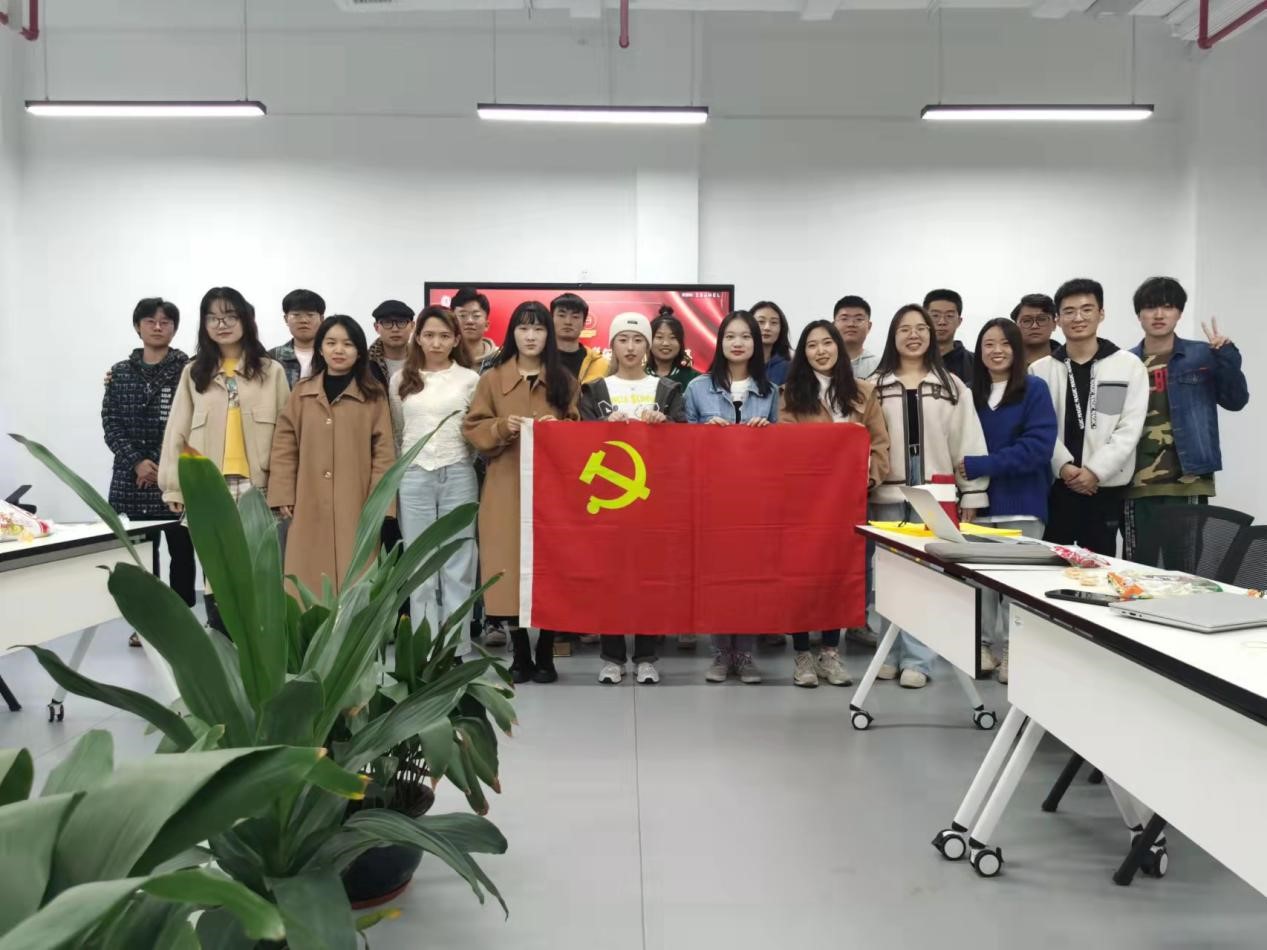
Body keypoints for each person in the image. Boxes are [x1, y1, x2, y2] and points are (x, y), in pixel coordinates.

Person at [158, 287, 290, 633]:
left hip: (258, 486)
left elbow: (287, 436)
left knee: (259, 566)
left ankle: (261, 642)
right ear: (204, 324)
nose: (222, 324)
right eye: (213, 317)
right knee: (216, 570)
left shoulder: (271, 371)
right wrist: (174, 486)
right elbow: (177, 431)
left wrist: (284, 488)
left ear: (246, 320)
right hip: (209, 487)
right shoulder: (193, 372)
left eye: (230, 316)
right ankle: (222, 637)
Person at [871, 304, 989, 688]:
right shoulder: (874, 385)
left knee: (927, 578)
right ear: (893, 336)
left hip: (936, 497)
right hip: (887, 496)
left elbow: (967, 442)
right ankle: (888, 654)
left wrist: (972, 494)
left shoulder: (952, 386)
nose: (914, 335)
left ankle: (918, 660)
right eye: (904, 329)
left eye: (921, 328)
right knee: (889, 577)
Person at [464, 301, 580, 684]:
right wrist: (502, 427)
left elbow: (580, 431)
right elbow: (474, 428)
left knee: (552, 566)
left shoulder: (564, 380)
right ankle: (519, 651)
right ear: (512, 333)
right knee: (508, 565)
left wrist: (559, 431)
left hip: (554, 490)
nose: (530, 336)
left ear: (548, 335)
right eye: (523, 328)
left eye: (538, 329)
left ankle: (546, 650)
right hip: (505, 484)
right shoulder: (492, 379)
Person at [779, 320, 891, 688]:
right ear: (803, 353)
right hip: (803, 504)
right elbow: (786, 445)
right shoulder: (791, 394)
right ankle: (802, 655)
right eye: (812, 345)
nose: (821, 351)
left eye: (827, 343)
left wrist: (867, 479)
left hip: (848, 502)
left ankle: (830, 652)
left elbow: (880, 444)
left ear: (839, 348)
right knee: (801, 578)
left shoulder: (863, 392)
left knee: (838, 576)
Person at [580, 312, 687, 685]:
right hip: (609, 499)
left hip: (655, 499)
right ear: (612, 344)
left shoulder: (667, 389)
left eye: (638, 339)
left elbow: (685, 441)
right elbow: (580, 442)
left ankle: (646, 656)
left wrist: (665, 425)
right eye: (623, 339)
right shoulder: (595, 390)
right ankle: (611, 657)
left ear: (648, 345)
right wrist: (602, 428)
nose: (630, 347)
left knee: (649, 578)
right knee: (610, 578)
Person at [957, 318, 1058, 682]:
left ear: (1017, 350)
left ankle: (1017, 650)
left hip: (1022, 504)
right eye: (989, 344)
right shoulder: (970, 394)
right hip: (979, 504)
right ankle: (984, 646)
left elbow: (1037, 449)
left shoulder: (1034, 389)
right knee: (980, 584)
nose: (997, 351)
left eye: (1005, 344)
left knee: (1017, 583)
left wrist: (981, 465)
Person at [268, 315, 396, 598]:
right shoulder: (302, 393)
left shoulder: (373, 395)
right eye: (331, 343)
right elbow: (284, 446)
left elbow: (384, 454)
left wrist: (381, 506)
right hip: (308, 499)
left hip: (357, 502)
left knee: (358, 576)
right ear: (320, 348)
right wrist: (283, 493)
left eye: (348, 344)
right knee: (307, 579)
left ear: (359, 351)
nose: (339, 350)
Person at [1124, 276, 1249, 565]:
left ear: (1179, 313)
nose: (1159, 314)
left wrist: (1227, 356)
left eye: (1168, 307)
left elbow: (1236, 401)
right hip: (1134, 482)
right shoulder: (1124, 362)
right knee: (1135, 567)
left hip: (1188, 480)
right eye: (1150, 307)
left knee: (1184, 568)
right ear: (1139, 314)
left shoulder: (1203, 355)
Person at [685, 311, 778, 684]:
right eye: (730, 336)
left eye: (746, 336)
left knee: (751, 576)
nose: (738, 343)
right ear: (720, 342)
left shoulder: (771, 392)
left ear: (756, 343)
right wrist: (702, 431)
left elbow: (783, 449)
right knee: (717, 576)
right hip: (712, 498)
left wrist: (768, 433)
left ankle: (746, 653)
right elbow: (680, 445)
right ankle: (721, 652)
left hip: (755, 500)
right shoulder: (697, 388)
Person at [1030, 278, 1149, 557]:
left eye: (1087, 309)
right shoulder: (1040, 370)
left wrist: (1094, 471)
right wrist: (1063, 466)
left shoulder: (1127, 366)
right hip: (1056, 486)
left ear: (1101, 313)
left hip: (1103, 488)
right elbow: (1038, 428)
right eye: (1069, 311)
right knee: (1048, 563)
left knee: (1099, 567)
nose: (1078, 318)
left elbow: (1129, 428)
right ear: (1058, 319)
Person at [102, 297, 194, 647]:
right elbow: (111, 424)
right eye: (150, 321)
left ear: (174, 328)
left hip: (175, 479)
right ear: (137, 326)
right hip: (131, 480)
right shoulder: (120, 372)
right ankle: (146, 624)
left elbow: (189, 423)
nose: (158, 327)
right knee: (141, 556)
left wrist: (159, 465)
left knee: (182, 553)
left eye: (165, 322)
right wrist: (137, 462)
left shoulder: (189, 369)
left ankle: (183, 622)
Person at [389, 306, 480, 652]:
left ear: (456, 339)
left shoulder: (470, 379)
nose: (436, 343)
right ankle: (424, 646)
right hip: (414, 475)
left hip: (458, 471)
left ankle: (457, 646)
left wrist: (462, 459)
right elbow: (399, 430)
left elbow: (473, 429)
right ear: (418, 338)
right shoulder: (401, 379)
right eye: (429, 335)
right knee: (420, 561)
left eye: (444, 336)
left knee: (460, 557)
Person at [269, 289, 326, 388]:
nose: (304, 320)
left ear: (322, 319)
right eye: (296, 315)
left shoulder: (331, 356)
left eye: (310, 315)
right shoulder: (272, 357)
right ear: (286, 319)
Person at [551, 292, 608, 384]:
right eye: (562, 315)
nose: (568, 322)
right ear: (551, 319)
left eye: (575, 317)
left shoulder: (601, 365)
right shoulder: (538, 360)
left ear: (584, 323)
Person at [924, 289, 974, 385]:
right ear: (924, 319)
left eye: (949, 316)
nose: (942, 322)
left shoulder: (976, 363)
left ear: (959, 321)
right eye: (935, 315)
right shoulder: (910, 361)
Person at [647, 306, 702, 389]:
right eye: (659, 337)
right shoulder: (638, 375)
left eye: (673, 337)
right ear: (649, 340)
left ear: (680, 343)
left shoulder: (695, 379)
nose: (666, 343)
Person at [369, 299, 414, 391]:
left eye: (401, 322)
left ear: (412, 326)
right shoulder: (364, 364)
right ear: (376, 327)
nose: (395, 329)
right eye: (387, 323)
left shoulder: (424, 360)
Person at [452, 287, 500, 370]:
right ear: (452, 323)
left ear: (486, 325)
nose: (469, 321)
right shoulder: (444, 358)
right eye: (462, 315)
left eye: (476, 316)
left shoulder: (502, 359)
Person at [833, 294, 879, 379]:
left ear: (869, 326)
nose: (851, 324)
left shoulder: (880, 366)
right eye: (844, 319)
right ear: (833, 325)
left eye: (859, 319)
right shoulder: (824, 363)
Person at [750, 300, 793, 386]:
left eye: (774, 322)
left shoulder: (788, 368)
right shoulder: (739, 364)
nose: (767, 327)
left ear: (781, 329)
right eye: (761, 322)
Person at [1011, 293, 1060, 366]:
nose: (1034, 326)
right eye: (1026, 321)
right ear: (1015, 327)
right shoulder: (1003, 365)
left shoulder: (1069, 361)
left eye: (1042, 319)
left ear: (1054, 324)